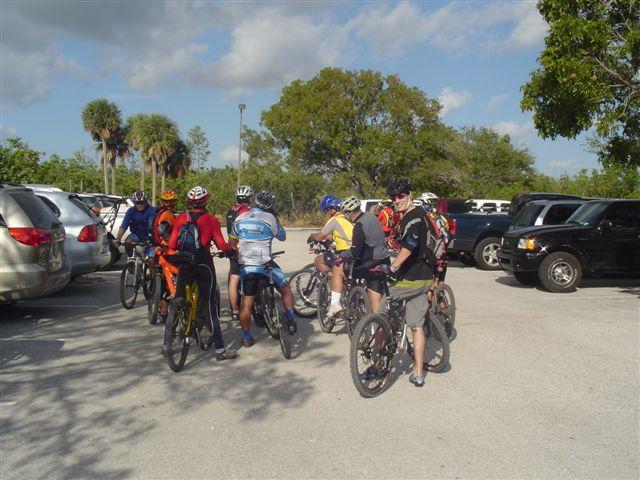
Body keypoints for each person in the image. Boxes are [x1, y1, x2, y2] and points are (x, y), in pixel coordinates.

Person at [167, 186, 237, 361]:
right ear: (206, 201)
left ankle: (168, 341)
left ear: (189, 202)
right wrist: (231, 251)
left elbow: (172, 245)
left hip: (184, 264)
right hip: (203, 264)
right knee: (210, 306)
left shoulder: (181, 218)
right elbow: (221, 244)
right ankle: (220, 350)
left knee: (178, 299)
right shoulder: (211, 220)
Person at [382, 179, 435, 387]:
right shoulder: (422, 213)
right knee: (417, 326)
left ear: (409, 194)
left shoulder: (412, 218)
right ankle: (418, 373)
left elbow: (411, 245)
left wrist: (393, 266)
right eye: (393, 197)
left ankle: (379, 363)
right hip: (425, 277)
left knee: (379, 306)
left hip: (412, 278)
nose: (397, 200)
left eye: (401, 196)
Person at [231, 190, 297, 347]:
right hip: (265, 264)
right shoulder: (270, 218)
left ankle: (246, 336)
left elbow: (233, 240)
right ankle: (290, 317)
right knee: (285, 288)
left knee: (246, 303)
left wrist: (239, 250)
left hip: (247, 266)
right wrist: (277, 220)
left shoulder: (240, 218)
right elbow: (282, 236)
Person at [339, 195, 390, 317]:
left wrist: (341, 254)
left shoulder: (359, 225)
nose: (346, 217)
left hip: (372, 261)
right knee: (374, 289)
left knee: (342, 270)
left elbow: (356, 252)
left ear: (350, 212)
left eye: (345, 214)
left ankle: (357, 298)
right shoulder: (371, 217)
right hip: (385, 259)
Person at [307, 194, 353, 317]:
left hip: (344, 253)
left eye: (326, 210)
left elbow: (321, 235)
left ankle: (334, 280)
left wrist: (312, 236)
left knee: (318, 260)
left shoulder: (334, 220)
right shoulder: (347, 218)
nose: (325, 213)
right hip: (355, 252)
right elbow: (334, 236)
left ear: (331, 209)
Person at [226, 185, 254, 326]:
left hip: (233, 248)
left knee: (234, 277)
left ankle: (235, 311)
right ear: (249, 198)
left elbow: (230, 233)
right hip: (248, 248)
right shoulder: (250, 211)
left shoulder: (230, 211)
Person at [152, 190, 178, 318]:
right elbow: (162, 228)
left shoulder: (158, 212)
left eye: (170, 201)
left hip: (158, 249)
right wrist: (171, 242)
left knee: (162, 279)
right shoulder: (167, 215)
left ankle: (161, 307)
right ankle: (164, 307)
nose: (169, 204)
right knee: (172, 278)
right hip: (167, 250)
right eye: (167, 201)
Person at [115, 190, 156, 257]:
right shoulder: (131, 211)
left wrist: (151, 239)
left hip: (149, 235)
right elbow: (124, 226)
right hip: (136, 234)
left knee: (151, 260)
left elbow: (152, 225)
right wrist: (118, 238)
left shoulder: (151, 210)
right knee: (128, 242)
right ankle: (132, 259)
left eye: (141, 203)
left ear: (145, 202)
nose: (139, 205)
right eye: (137, 203)